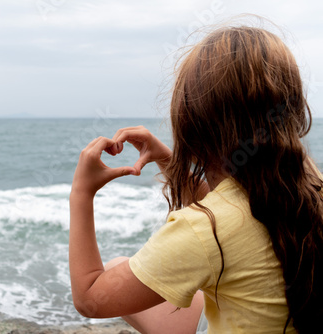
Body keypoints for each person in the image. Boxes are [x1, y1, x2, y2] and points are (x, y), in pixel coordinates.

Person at [69, 24, 323, 333]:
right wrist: (168, 160)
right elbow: (235, 214)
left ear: (192, 129)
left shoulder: (204, 230)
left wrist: (82, 193)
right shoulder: (307, 184)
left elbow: (91, 296)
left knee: (112, 271)